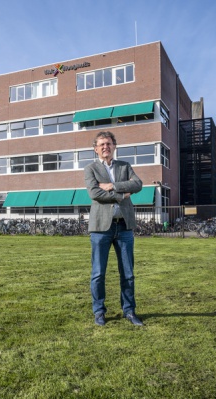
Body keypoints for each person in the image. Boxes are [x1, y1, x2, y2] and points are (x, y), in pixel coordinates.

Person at [84, 131, 144, 327]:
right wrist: (121, 195)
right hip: (101, 228)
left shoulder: (125, 166)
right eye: (101, 144)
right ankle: (99, 312)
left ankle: (129, 311)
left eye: (108, 144)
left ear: (114, 146)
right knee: (98, 273)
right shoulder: (90, 169)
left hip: (124, 227)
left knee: (128, 273)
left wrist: (112, 185)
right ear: (95, 149)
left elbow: (137, 184)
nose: (105, 147)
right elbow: (95, 193)